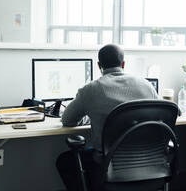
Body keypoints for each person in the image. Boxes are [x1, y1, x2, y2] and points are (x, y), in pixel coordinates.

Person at [56, 44, 159, 191]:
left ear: (99, 66)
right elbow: (168, 111)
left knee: (64, 161)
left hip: (108, 166)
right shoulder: (146, 85)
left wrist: (90, 116)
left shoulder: (90, 89)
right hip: (148, 163)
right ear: (123, 64)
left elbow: (67, 120)